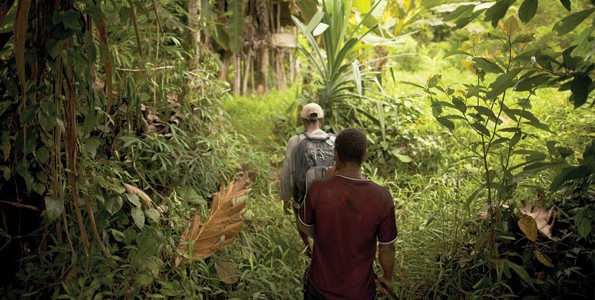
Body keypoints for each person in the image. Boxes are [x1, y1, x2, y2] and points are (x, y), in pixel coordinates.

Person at [298, 127, 398, 299]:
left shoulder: (318, 189)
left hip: (319, 289)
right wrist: (387, 278)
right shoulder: (382, 197)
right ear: (365, 154)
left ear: (335, 153)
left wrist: (326, 181)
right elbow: (387, 248)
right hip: (360, 292)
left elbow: (303, 226)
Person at [280, 103, 333, 256]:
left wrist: (285, 198)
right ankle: (322, 251)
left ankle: (308, 248)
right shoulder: (335, 141)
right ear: (321, 120)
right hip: (330, 199)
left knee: (301, 219)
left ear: (302, 120)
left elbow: (287, 172)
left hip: (302, 199)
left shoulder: (295, 141)